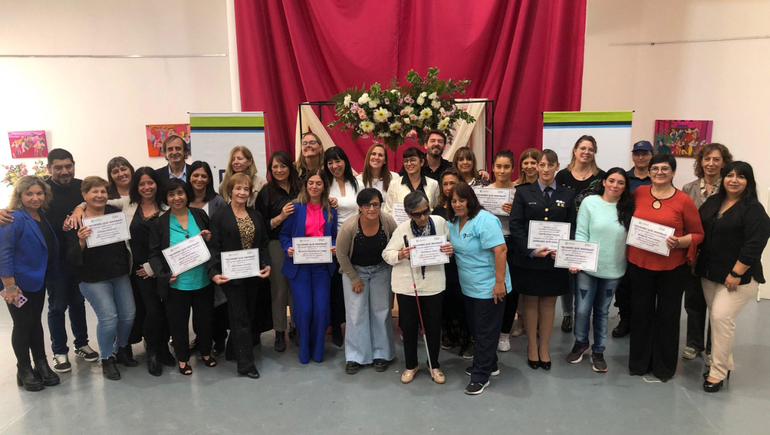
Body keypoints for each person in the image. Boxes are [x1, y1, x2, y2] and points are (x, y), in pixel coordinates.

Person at [69, 167, 174, 376]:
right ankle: (109, 356)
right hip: (118, 273)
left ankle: (136, 349)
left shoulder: (162, 208)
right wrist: (78, 210)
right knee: (113, 316)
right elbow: (71, 255)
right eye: (141, 183)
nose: (146, 187)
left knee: (137, 313)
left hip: (141, 270)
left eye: (150, 182)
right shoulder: (123, 205)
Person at [0, 149, 98, 372]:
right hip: (52, 263)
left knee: (77, 303)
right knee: (56, 307)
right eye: (58, 167)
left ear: (74, 165)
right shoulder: (39, 187)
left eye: (68, 166)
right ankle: (59, 352)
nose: (64, 171)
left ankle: (81, 344)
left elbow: (98, 198)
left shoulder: (81, 186)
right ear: (49, 169)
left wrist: (79, 206)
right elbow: (13, 214)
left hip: (79, 256)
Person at [627, 154, 703, 381]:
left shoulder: (683, 200)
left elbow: (699, 234)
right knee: (640, 315)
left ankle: (664, 366)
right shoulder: (638, 193)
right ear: (648, 172)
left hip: (672, 268)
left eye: (665, 169)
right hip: (640, 265)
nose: (659, 172)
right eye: (655, 168)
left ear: (673, 172)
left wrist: (680, 242)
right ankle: (639, 363)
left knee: (668, 318)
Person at [696, 162, 770, 392]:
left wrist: (737, 272)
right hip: (709, 274)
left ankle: (717, 373)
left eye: (741, 176)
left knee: (720, 318)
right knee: (719, 322)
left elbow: (754, 245)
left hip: (739, 278)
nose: (734, 180)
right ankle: (725, 363)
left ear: (749, 181)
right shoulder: (713, 202)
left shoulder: (753, 209)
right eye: (729, 175)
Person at [510, 149, 576, 371]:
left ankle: (544, 348)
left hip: (554, 260)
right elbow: (516, 225)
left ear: (558, 166)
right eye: (542, 165)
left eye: (551, 165)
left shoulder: (568, 194)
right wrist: (530, 250)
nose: (546, 169)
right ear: (536, 167)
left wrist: (564, 249)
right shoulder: (523, 192)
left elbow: (572, 227)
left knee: (549, 303)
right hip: (529, 259)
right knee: (530, 302)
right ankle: (531, 346)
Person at [66, 176, 136, 380]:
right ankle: (107, 358)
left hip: (119, 273)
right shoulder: (75, 220)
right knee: (108, 318)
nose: (99, 195)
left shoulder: (115, 213)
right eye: (94, 191)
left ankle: (121, 348)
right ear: (84, 195)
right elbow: (70, 257)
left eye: (103, 191)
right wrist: (80, 241)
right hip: (92, 278)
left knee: (128, 315)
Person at [566, 168, 634, 373]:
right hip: (587, 268)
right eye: (611, 180)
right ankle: (581, 342)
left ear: (625, 187)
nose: (615, 185)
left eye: (620, 182)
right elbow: (581, 231)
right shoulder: (590, 202)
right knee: (582, 309)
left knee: (602, 311)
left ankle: (598, 350)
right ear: (603, 182)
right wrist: (577, 258)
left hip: (614, 269)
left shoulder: (628, 208)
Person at [383, 191, 453, 385]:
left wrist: (450, 248)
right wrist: (400, 255)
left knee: (432, 327)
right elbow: (386, 254)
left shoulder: (439, 222)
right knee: (409, 327)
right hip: (407, 286)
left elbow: (450, 242)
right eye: (417, 214)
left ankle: (434, 365)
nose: (423, 217)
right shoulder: (402, 229)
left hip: (433, 285)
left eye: (425, 212)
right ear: (408, 214)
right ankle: (411, 365)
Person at [447, 184, 511, 395]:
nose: (457, 204)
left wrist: (499, 283)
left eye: (462, 200)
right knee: (478, 328)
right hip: (469, 286)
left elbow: (501, 250)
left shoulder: (485, 220)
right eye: (454, 201)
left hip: (490, 286)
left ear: (471, 200)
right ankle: (489, 363)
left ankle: (480, 376)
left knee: (485, 331)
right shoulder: (453, 221)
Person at [148, 179, 216, 376]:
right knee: (178, 324)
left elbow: (211, 242)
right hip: (176, 283)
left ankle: (205, 352)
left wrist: (209, 238)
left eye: (180, 193)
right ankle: (183, 358)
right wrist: (162, 274)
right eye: (171, 195)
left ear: (187, 194)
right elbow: (153, 254)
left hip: (203, 279)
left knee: (204, 321)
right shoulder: (160, 223)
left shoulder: (199, 214)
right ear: (166, 198)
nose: (176, 198)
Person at [0, 176, 60, 391]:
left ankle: (41, 363)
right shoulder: (13, 218)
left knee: (35, 322)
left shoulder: (40, 216)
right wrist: (9, 286)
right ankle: (24, 368)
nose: (35, 198)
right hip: (18, 285)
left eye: (39, 193)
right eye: (29, 194)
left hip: (37, 280)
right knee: (23, 325)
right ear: (20, 196)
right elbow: (4, 252)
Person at [209, 173, 272, 379]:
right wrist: (214, 273)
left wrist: (266, 264)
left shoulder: (255, 216)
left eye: (246, 189)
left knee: (248, 315)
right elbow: (214, 247)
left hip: (252, 274)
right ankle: (246, 364)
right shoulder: (219, 217)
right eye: (238, 188)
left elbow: (262, 244)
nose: (242, 192)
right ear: (230, 190)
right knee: (241, 318)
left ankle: (231, 350)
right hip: (231, 276)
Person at [680, 143, 733, 364]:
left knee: (718, 307)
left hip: (720, 256)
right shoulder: (688, 189)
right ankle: (694, 344)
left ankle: (714, 347)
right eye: (707, 159)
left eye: (716, 160)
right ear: (700, 162)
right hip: (694, 255)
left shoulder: (729, 189)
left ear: (724, 162)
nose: (711, 164)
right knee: (693, 302)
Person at [279, 169, 338, 364]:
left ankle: (318, 350)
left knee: (321, 309)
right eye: (310, 183)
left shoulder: (331, 210)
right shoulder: (295, 208)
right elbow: (284, 235)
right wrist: (288, 248)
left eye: (318, 183)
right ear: (305, 185)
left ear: (324, 187)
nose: (314, 186)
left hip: (322, 267)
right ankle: (304, 350)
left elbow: (335, 236)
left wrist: (335, 246)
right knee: (304, 309)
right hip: (300, 268)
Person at [336, 188, 397, 374]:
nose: (371, 208)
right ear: (360, 207)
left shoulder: (388, 222)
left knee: (382, 311)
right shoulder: (349, 227)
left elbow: (395, 245)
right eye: (367, 205)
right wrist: (354, 278)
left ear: (380, 205)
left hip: (381, 270)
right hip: (355, 271)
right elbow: (341, 255)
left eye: (375, 204)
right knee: (356, 314)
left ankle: (382, 353)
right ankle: (355, 356)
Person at [554, 135, 606, 334]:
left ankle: (584, 313)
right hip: (566, 231)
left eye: (590, 149)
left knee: (586, 275)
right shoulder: (562, 176)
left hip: (591, 233)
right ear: (575, 151)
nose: (586, 152)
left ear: (594, 153)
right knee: (567, 276)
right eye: (582, 148)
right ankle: (568, 313)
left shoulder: (602, 177)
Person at [258, 151, 302, 352]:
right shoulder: (266, 192)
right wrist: (281, 216)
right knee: (279, 289)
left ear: (289, 167)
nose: (279, 170)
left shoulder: (301, 186)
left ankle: (296, 327)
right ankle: (278, 331)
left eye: (282, 166)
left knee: (297, 288)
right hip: (276, 245)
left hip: (302, 244)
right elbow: (261, 226)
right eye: (274, 167)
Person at [613, 140, 655, 339]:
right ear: (632, 155)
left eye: (645, 153)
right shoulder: (624, 178)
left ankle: (641, 321)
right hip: (623, 234)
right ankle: (625, 319)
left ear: (651, 155)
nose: (640, 157)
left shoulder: (657, 178)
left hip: (647, 239)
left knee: (642, 282)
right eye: (637, 153)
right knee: (623, 282)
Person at [187, 160, 229, 356]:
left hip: (213, 258)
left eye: (204, 176)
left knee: (218, 301)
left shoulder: (218, 201)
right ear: (189, 177)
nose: (199, 179)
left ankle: (219, 339)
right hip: (190, 261)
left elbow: (223, 230)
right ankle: (202, 338)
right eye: (196, 175)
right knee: (199, 302)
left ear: (209, 179)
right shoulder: (182, 200)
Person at [432, 169, 472, 358]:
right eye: (445, 184)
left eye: (452, 183)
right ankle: (449, 337)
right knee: (446, 300)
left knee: (462, 303)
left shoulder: (466, 210)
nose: (449, 187)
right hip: (443, 265)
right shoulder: (437, 211)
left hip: (462, 264)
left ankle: (467, 342)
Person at [325, 146, 360, 346]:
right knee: (336, 287)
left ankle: (355, 326)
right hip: (334, 242)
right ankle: (337, 325)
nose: (334, 166)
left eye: (338, 161)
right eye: (330, 162)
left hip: (357, 240)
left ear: (345, 161)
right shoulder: (326, 185)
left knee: (355, 284)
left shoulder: (358, 182)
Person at [484, 151, 519, 352]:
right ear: (493, 168)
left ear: (512, 169)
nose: (502, 170)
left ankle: (505, 333)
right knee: (491, 289)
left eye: (506, 167)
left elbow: (524, 222)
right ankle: (491, 330)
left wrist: (514, 212)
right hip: (490, 246)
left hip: (511, 243)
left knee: (510, 290)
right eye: (498, 166)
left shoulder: (519, 193)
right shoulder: (485, 191)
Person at [509, 148, 540, 337]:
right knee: (520, 286)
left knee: (537, 287)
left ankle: (537, 323)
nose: (529, 166)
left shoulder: (546, 187)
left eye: (533, 162)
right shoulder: (514, 187)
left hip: (541, 242)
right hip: (519, 242)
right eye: (525, 162)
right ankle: (521, 321)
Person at [384, 147, 440, 217]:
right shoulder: (394, 184)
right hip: (401, 226)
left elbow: (436, 209)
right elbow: (388, 210)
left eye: (412, 160)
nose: (409, 163)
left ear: (422, 162)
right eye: (406, 161)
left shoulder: (433, 184)